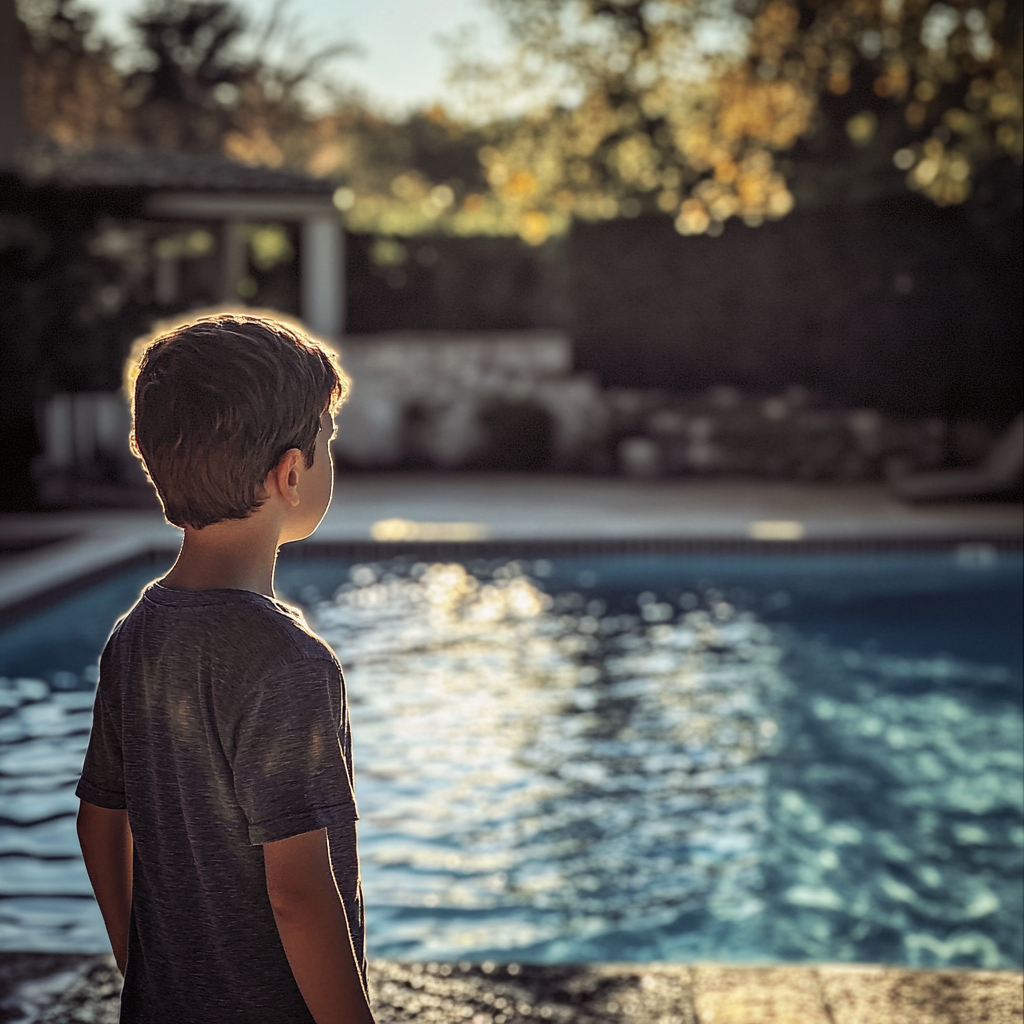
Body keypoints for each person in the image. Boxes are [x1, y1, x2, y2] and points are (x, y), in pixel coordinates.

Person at [75, 312, 375, 1024]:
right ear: (292, 473)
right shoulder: (290, 664)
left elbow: (97, 823)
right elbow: (297, 895)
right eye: (329, 442)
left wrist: (141, 971)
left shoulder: (135, 637)